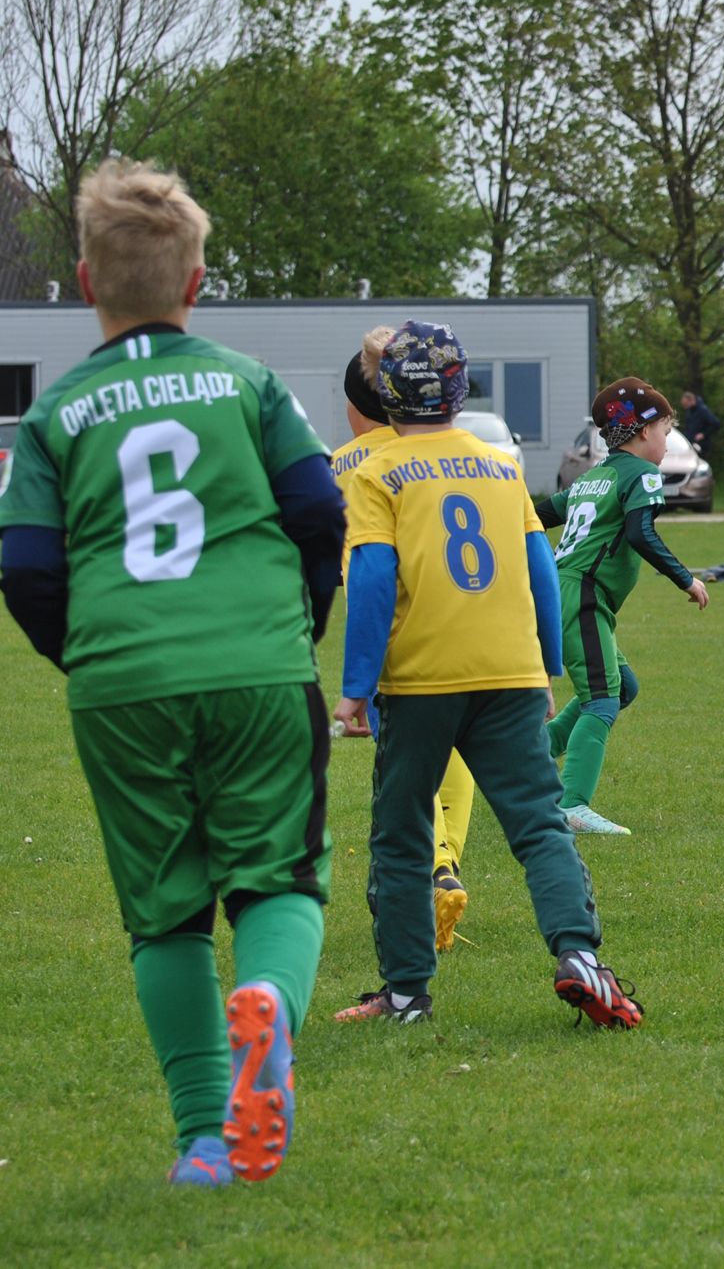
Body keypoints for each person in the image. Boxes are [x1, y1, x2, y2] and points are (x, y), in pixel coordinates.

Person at [0, 159, 345, 1185]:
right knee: (278, 875)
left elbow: (22, 567)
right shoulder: (248, 384)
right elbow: (320, 511)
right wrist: (299, 623)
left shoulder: (57, 416)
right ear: (197, 284)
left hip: (121, 680)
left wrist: (93, 654)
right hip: (254, 662)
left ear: (82, 281)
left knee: (165, 912)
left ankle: (205, 1137)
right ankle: (272, 1009)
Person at [332, 320, 643, 1028]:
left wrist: (356, 686)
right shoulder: (501, 466)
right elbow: (539, 567)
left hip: (421, 677)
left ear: (386, 393)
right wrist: (549, 665)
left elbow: (375, 578)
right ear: (459, 390)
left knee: (402, 829)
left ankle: (406, 993)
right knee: (537, 823)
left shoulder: (377, 473)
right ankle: (581, 956)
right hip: (509, 672)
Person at [331, 329, 478, 950]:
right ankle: (446, 864)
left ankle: (433, 867)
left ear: (356, 405)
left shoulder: (346, 465)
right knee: (460, 762)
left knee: (405, 776)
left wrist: (354, 684)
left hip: (400, 641)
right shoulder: (458, 452)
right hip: (478, 630)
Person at [538, 380, 710, 835]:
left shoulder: (593, 476)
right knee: (600, 700)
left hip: (568, 591)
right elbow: (640, 533)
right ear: (640, 433)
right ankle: (572, 804)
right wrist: (686, 579)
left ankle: (535, 750)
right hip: (585, 593)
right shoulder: (640, 475)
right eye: (665, 430)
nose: (668, 440)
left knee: (622, 686)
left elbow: (537, 516)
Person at [677, 388, 721, 466]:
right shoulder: (690, 411)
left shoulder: (703, 410)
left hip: (701, 446)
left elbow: (716, 424)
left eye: (686, 404)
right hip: (691, 444)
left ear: (691, 400)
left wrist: (703, 434)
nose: (685, 407)